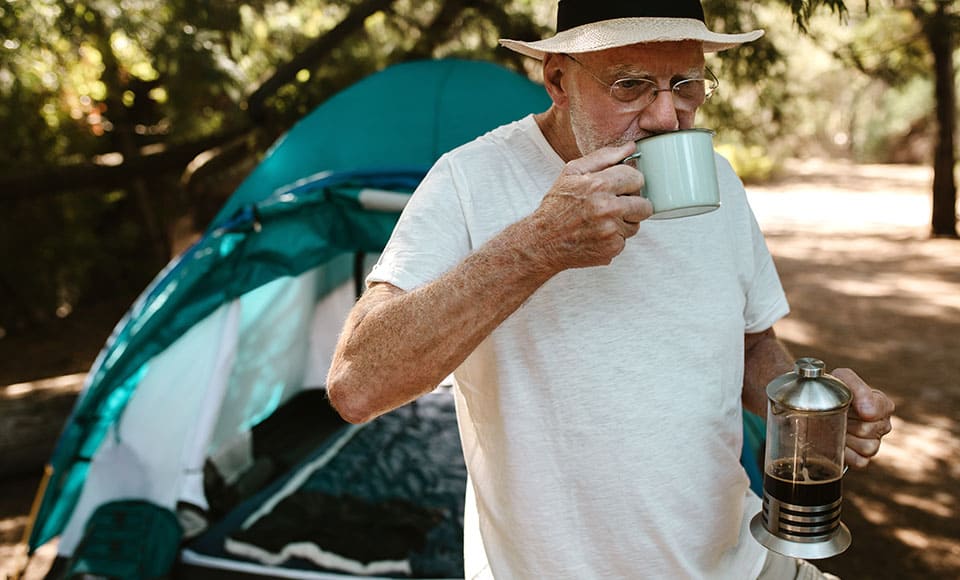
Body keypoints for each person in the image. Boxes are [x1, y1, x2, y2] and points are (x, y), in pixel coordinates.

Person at [325, 1, 896, 578]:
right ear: (557, 79)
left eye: (687, 85)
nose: (667, 117)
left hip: (743, 560)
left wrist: (807, 411)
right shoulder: (468, 180)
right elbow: (357, 385)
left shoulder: (718, 178)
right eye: (633, 86)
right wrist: (534, 247)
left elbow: (749, 347)